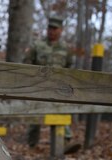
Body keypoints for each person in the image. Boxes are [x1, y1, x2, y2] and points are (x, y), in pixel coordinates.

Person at [23, 16, 74, 148]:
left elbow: (70, 68)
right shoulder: (37, 45)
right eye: (49, 28)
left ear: (61, 30)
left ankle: (64, 142)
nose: (51, 31)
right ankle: (32, 144)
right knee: (35, 115)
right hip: (39, 87)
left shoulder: (65, 49)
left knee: (61, 112)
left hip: (58, 88)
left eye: (54, 28)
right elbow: (26, 63)